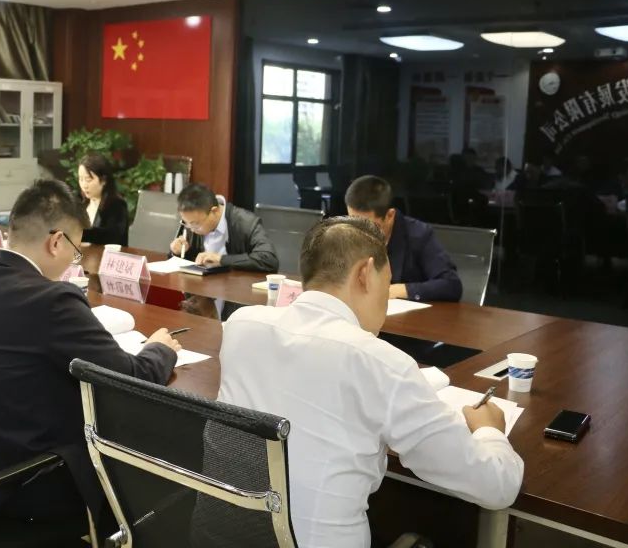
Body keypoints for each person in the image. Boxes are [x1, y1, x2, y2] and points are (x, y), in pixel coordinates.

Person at [210, 217, 523, 546]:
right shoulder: (382, 363)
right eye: (386, 285)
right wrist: (488, 430)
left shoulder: (241, 325)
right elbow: (497, 487)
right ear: (365, 273)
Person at [0, 179, 180, 527]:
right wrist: (160, 349)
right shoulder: (51, 299)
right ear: (56, 241)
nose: (74, 260)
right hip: (24, 486)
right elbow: (130, 378)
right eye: (76, 250)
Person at [345, 175, 462, 302]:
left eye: (368, 225)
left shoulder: (419, 234)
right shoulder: (344, 233)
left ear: (390, 215)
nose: (360, 232)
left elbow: (451, 285)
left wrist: (400, 290)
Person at [170, 182, 278, 272]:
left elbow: (269, 260)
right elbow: (184, 263)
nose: (191, 229)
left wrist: (222, 260)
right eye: (186, 223)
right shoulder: (192, 222)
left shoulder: (246, 222)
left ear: (214, 211)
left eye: (195, 224)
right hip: (201, 288)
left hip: (236, 288)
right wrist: (177, 252)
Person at [77, 152, 128, 246]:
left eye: (88, 180)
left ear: (103, 180)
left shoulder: (116, 205)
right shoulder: (79, 201)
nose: (84, 185)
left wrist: (79, 233)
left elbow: (111, 236)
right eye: (81, 179)